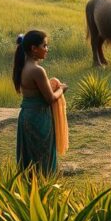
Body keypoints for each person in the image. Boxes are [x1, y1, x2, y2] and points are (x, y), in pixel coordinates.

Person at [14, 30, 66, 174]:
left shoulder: (23, 66)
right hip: (39, 117)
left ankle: (30, 183)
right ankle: (44, 183)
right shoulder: (37, 70)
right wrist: (61, 89)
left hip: (26, 115)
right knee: (43, 155)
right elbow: (50, 98)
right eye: (44, 45)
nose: (47, 49)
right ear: (34, 48)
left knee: (30, 155)